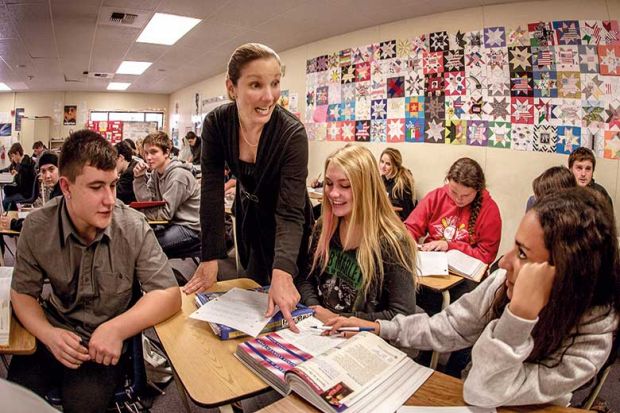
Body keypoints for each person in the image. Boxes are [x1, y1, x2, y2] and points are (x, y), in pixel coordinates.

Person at [324, 187, 619, 408]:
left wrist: (519, 318)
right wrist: (380, 328)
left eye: (523, 254)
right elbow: (450, 326)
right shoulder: (504, 281)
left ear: (566, 273)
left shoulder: (592, 338)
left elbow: (484, 387)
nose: (504, 263)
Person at [8, 129, 181, 413]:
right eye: (96, 187)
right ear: (66, 187)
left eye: (112, 185)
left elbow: (168, 293)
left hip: (102, 345)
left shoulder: (133, 226)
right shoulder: (38, 227)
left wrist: (116, 329)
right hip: (52, 332)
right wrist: (48, 334)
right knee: (16, 402)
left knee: (84, 405)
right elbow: (23, 294)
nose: (110, 199)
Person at [187, 43, 314, 332]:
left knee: (284, 292)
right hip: (250, 215)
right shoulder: (217, 123)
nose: (269, 97)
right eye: (256, 84)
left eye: (275, 83)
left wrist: (283, 272)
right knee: (252, 289)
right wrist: (210, 258)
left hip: (288, 224)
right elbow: (210, 191)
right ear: (232, 87)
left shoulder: (291, 134)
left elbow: (290, 212)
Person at [297, 145, 417, 322]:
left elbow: (402, 315)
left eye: (345, 185)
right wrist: (316, 309)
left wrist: (339, 319)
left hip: (361, 336)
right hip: (319, 325)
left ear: (366, 189)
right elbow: (305, 277)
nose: (333, 193)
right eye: (329, 184)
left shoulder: (392, 241)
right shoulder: (325, 226)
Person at [404, 157, 501, 265]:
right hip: (433, 263)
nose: (458, 199)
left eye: (466, 195)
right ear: (448, 181)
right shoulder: (436, 197)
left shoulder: (489, 210)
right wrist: (409, 241)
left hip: (466, 272)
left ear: (478, 190)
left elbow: (486, 255)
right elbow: (411, 227)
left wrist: (450, 247)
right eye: (453, 192)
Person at [132, 131, 201, 257]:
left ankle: (162, 276)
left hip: (190, 228)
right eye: (146, 153)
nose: (148, 157)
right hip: (172, 223)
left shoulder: (178, 176)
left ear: (167, 153)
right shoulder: (155, 173)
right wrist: (139, 179)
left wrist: (143, 214)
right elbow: (148, 203)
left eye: (153, 152)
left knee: (146, 247)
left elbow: (165, 214)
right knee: (137, 240)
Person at [0, 152, 62, 232]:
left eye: (51, 169)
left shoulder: (61, 194)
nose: (47, 176)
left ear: (60, 169)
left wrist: (13, 224)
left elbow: (45, 224)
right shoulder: (56, 190)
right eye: (43, 171)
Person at [379, 148, 416, 221]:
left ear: (395, 166)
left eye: (388, 164)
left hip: (398, 224)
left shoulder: (402, 185)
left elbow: (407, 214)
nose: (383, 166)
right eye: (382, 161)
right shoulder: (382, 179)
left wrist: (389, 210)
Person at [3, 143, 37, 211]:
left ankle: (12, 218)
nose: (12, 158)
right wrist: (17, 175)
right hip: (25, 191)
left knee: (6, 201)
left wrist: (17, 175)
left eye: (13, 156)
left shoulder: (25, 166)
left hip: (26, 194)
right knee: (6, 193)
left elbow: (22, 186)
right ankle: (13, 215)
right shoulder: (24, 162)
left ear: (18, 153)